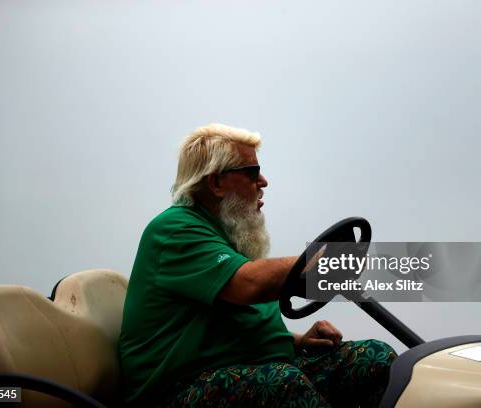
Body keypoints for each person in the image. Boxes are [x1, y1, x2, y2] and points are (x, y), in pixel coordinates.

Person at [119, 124, 396, 407]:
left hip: (252, 371)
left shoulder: (229, 238)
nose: (263, 182)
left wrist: (295, 341)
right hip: (177, 391)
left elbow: (223, 325)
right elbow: (248, 284)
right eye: (252, 173)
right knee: (283, 384)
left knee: (374, 359)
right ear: (216, 183)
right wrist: (319, 262)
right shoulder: (175, 229)